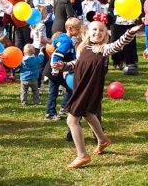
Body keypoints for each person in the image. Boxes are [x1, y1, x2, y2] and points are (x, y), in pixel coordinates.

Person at [53, 21, 141, 168]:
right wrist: (63, 66)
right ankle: (102, 140)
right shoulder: (82, 47)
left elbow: (119, 44)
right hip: (80, 86)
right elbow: (76, 64)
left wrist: (130, 32)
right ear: (87, 32)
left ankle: (82, 155)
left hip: (89, 88)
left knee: (71, 121)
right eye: (94, 29)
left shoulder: (103, 49)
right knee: (88, 113)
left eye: (101, 30)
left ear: (105, 34)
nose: (97, 32)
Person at [44, 17, 81, 120]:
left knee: (55, 91)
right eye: (77, 29)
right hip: (55, 71)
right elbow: (56, 55)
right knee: (71, 88)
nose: (79, 30)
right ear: (70, 28)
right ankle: (58, 110)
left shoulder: (66, 38)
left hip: (55, 70)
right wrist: (55, 69)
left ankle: (53, 111)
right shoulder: (66, 41)